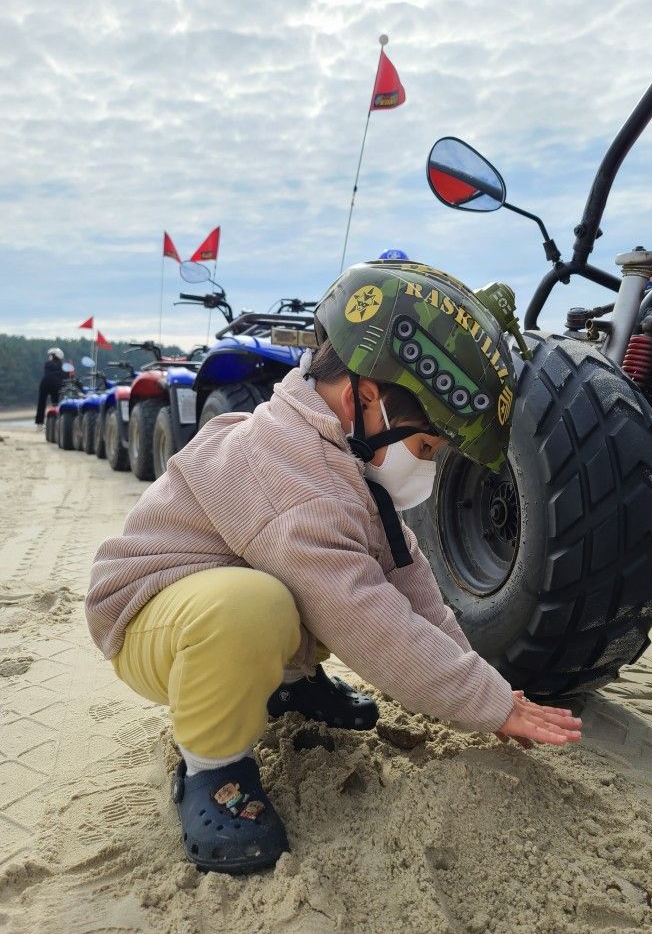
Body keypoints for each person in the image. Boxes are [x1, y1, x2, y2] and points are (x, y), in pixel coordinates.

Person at [85, 260, 581, 876]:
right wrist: (488, 706)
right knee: (257, 606)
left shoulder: (340, 461)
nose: (427, 468)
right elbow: (373, 624)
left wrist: (489, 689)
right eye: (426, 448)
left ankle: (289, 684)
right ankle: (210, 768)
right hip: (149, 620)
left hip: (214, 599)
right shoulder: (290, 476)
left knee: (304, 585)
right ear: (364, 396)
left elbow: (412, 588)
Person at [35, 347, 66, 427]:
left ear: (53, 356)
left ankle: (39, 423)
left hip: (45, 383)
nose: (49, 356)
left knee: (41, 403)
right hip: (57, 385)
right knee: (56, 403)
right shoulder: (62, 366)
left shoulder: (47, 364)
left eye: (51, 355)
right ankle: (57, 421)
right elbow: (65, 377)